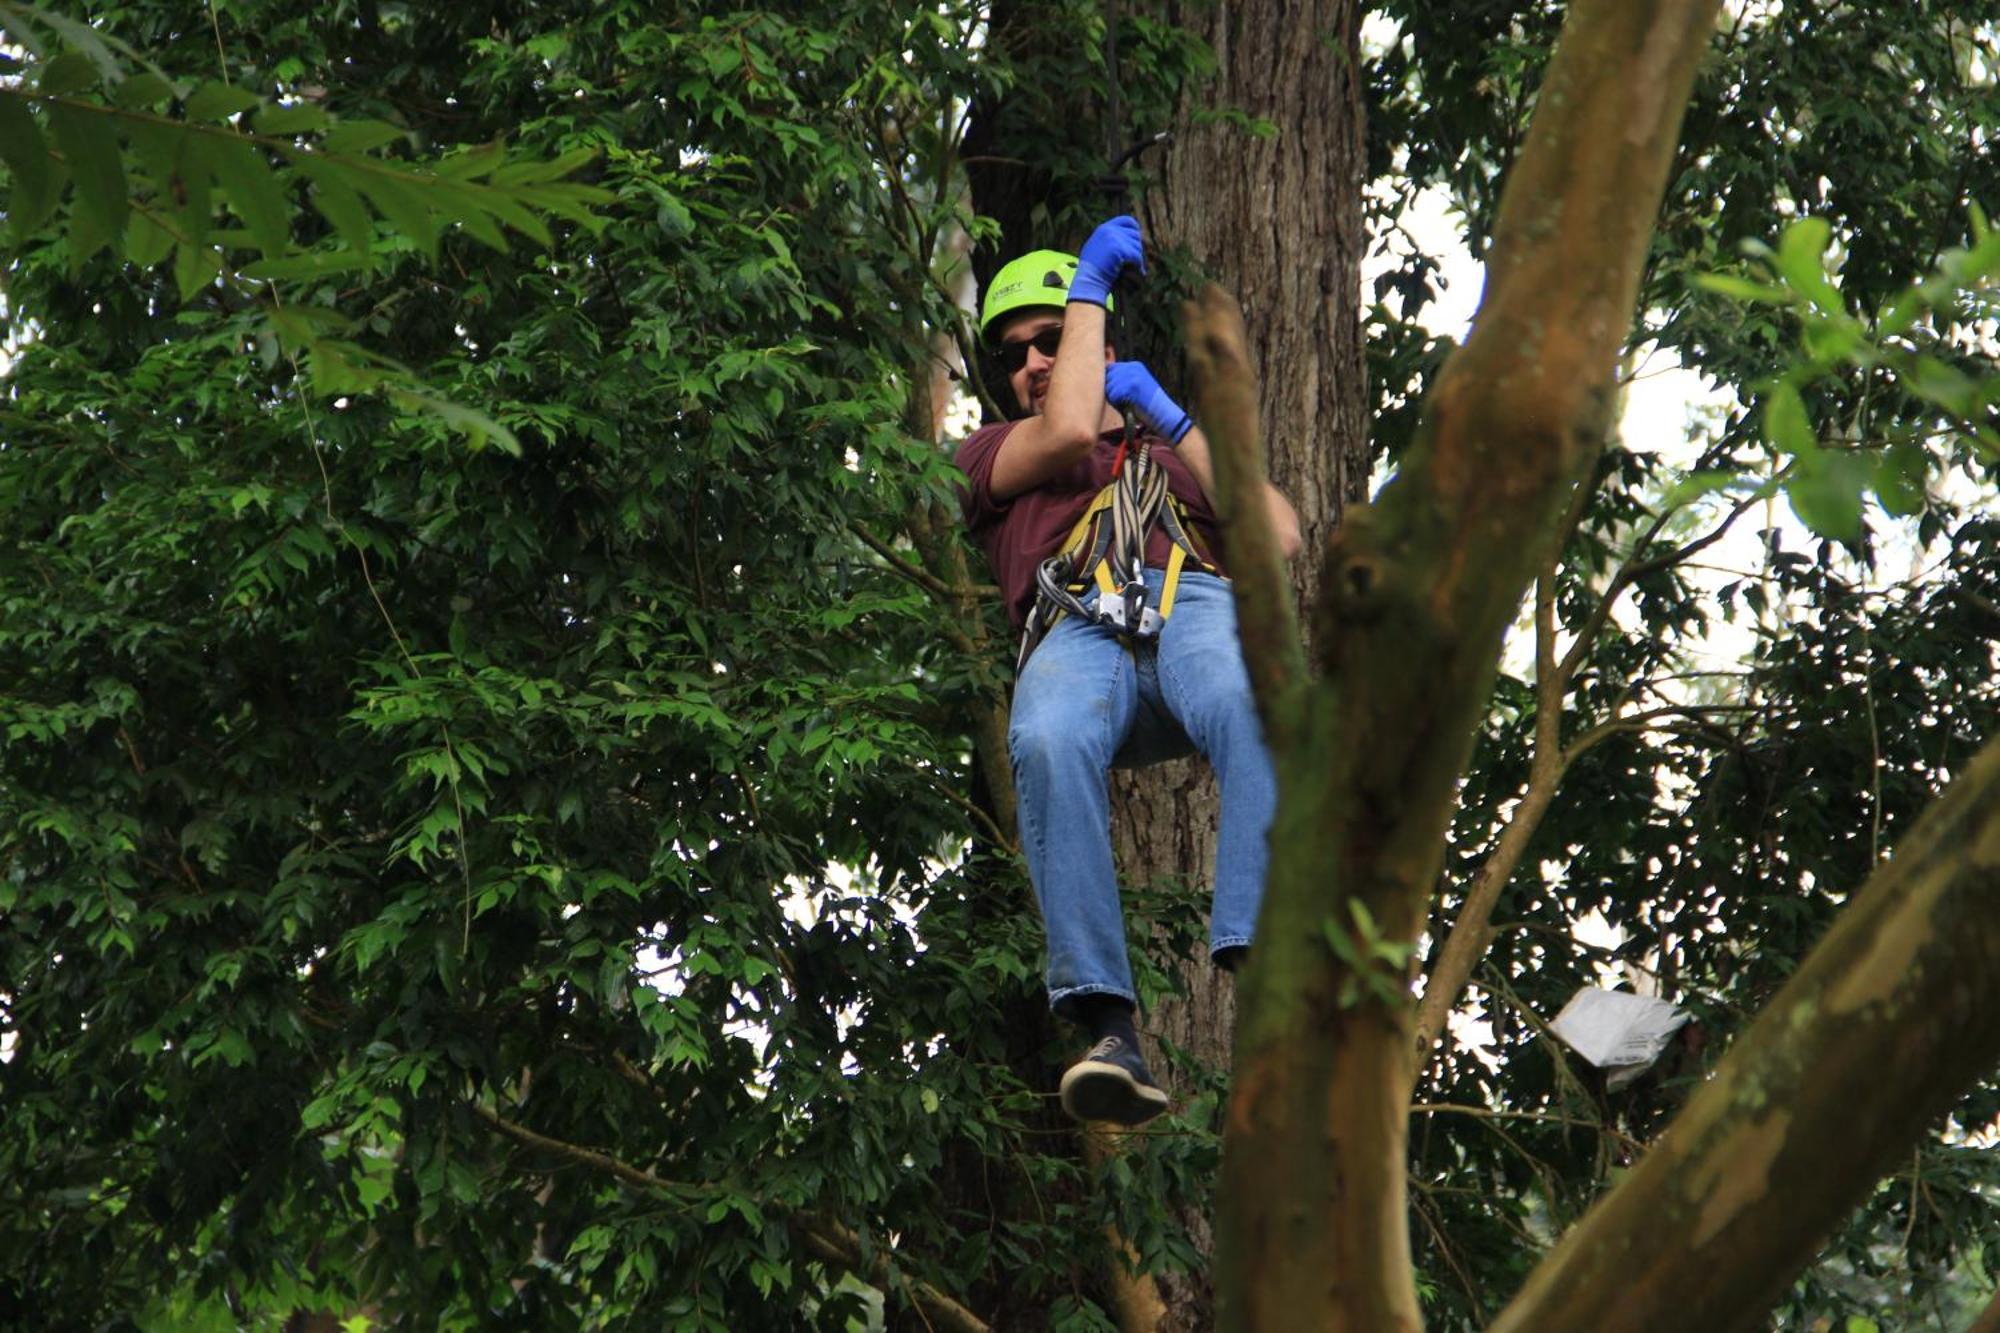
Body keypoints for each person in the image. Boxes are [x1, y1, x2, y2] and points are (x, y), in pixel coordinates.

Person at [954, 215, 1302, 1126]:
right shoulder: (993, 455)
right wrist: (1091, 287)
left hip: (1191, 605)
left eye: (1049, 338)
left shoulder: (1169, 453)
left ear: (1097, 339)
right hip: (1075, 625)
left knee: (1258, 689)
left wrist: (1173, 420)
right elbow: (1068, 428)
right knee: (1043, 734)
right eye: (1017, 351)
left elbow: (1282, 535)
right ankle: (1108, 1026)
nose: (1031, 361)